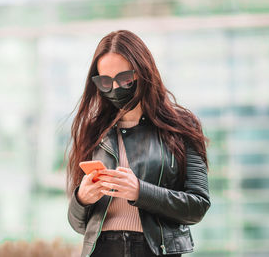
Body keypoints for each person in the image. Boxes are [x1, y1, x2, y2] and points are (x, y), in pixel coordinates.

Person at [66, 30, 210, 257]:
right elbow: (78, 224)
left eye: (124, 79)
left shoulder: (182, 126)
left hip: (154, 250)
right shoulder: (92, 130)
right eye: (105, 82)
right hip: (101, 249)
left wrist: (140, 192)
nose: (115, 88)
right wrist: (82, 198)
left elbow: (198, 206)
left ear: (143, 72)